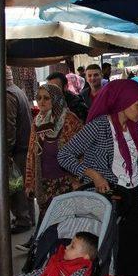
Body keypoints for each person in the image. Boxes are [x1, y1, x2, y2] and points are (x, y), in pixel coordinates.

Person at [58, 80, 138, 276]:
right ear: (122, 102)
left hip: (134, 196)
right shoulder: (100, 126)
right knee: (116, 253)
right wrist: (93, 175)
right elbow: (64, 154)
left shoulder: (136, 127)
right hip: (111, 197)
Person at [17, 84, 84, 251]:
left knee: (64, 225)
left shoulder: (69, 119)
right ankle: (43, 252)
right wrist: (30, 182)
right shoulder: (38, 121)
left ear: (56, 99)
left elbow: (83, 151)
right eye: (39, 97)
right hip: (45, 182)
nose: (41, 102)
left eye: (46, 98)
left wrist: (78, 179)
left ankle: (55, 254)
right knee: (47, 220)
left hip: (66, 182)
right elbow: (31, 154)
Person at [6, 67, 34, 234]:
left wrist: (7, 150)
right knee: (24, 185)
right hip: (23, 146)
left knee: (16, 186)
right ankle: (28, 217)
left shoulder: (8, 95)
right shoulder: (17, 90)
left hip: (17, 149)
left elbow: (9, 126)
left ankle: (23, 219)